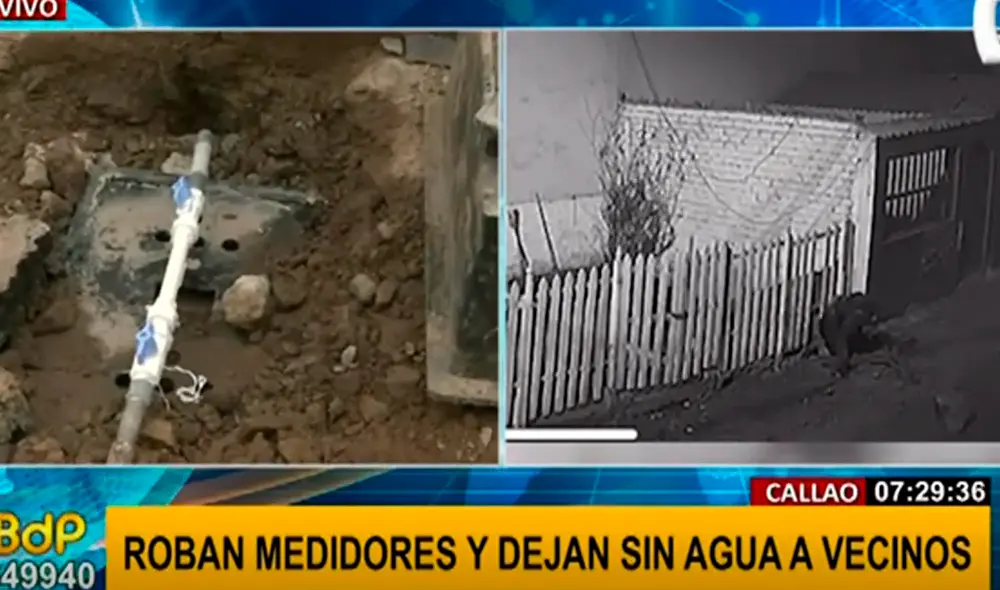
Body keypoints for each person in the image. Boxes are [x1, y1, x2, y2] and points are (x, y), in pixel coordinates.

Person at [819, 292, 881, 376]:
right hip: (834, 320)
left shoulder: (860, 313)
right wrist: (843, 362)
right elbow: (842, 337)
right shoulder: (857, 316)